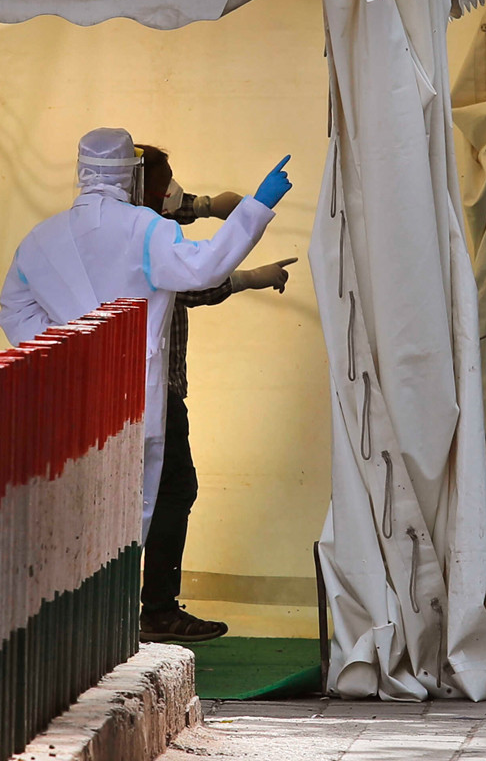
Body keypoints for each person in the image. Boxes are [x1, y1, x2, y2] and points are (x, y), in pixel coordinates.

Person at [0, 128, 292, 545]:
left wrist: (68, 350)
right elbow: (203, 268)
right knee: (128, 513)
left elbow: (13, 307)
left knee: (71, 515)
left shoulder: (40, 239)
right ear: (132, 174)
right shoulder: (147, 229)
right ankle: (128, 605)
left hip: (66, 396)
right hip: (136, 393)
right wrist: (255, 208)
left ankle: (78, 606)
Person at [135, 145, 297, 642]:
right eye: (165, 187)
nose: (174, 197)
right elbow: (190, 280)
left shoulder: (125, 218)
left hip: (133, 390)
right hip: (152, 391)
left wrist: (208, 205)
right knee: (171, 490)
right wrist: (249, 276)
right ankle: (157, 610)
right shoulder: (140, 236)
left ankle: (135, 608)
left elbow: (167, 205)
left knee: (140, 497)